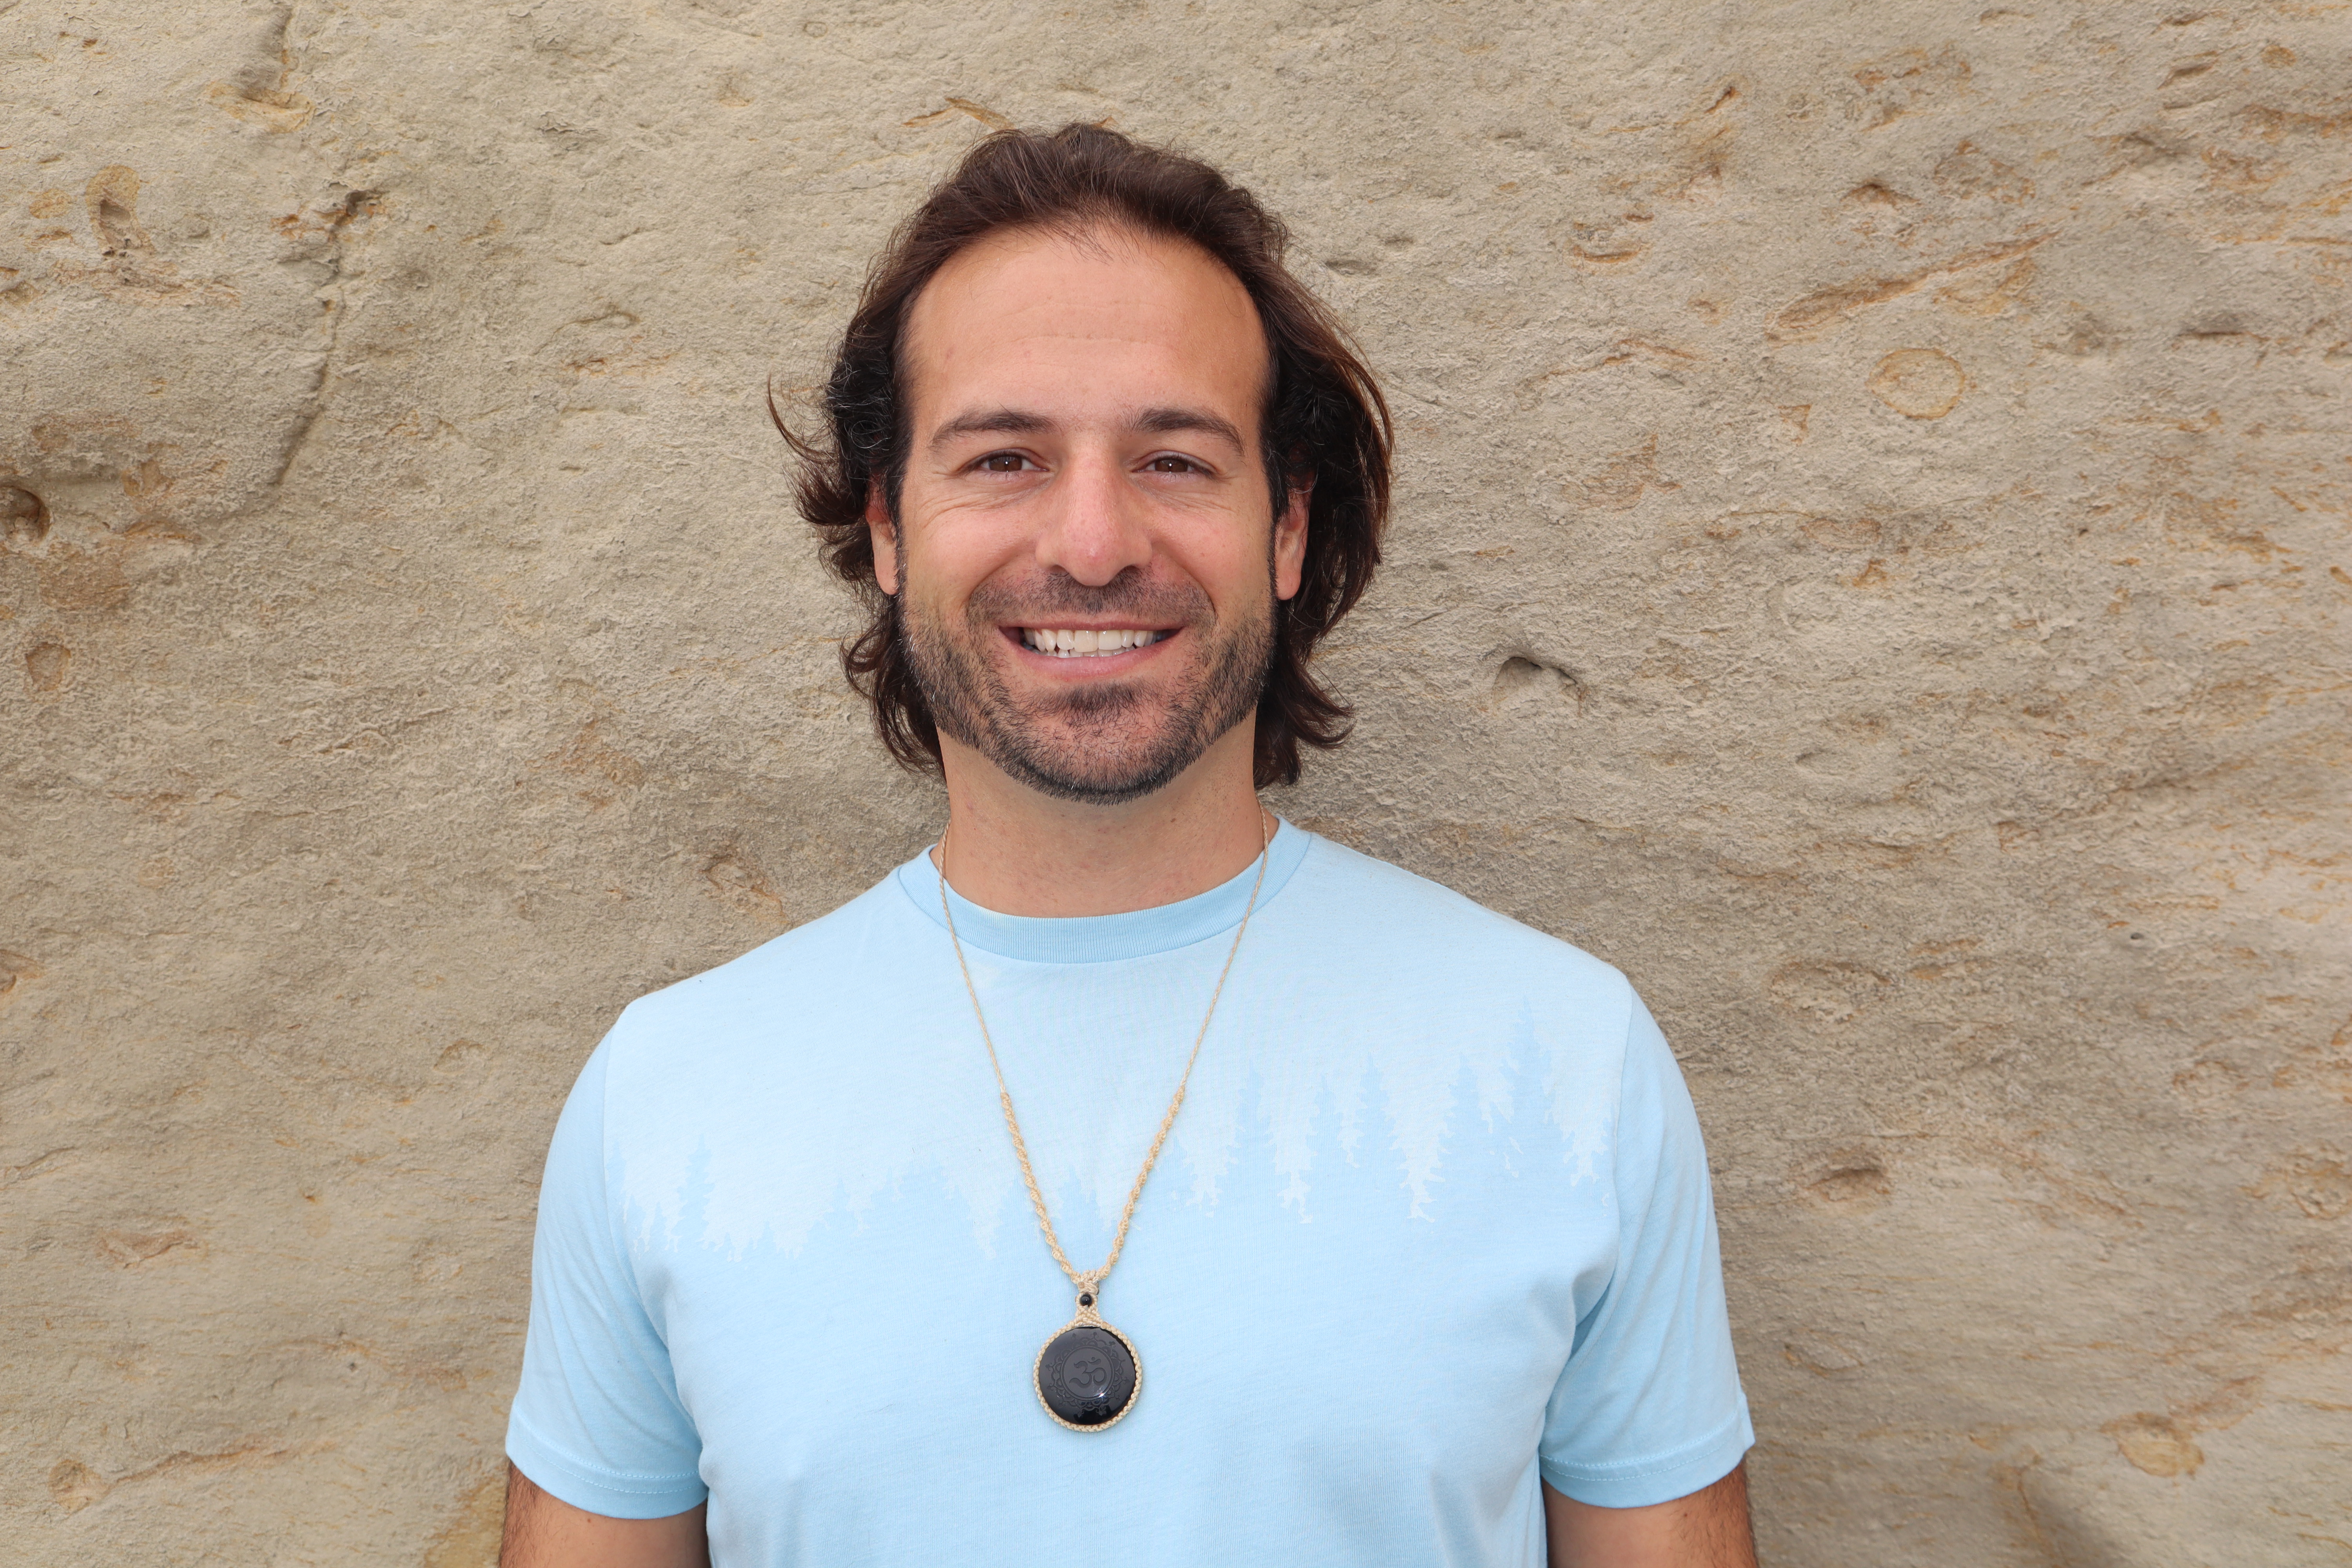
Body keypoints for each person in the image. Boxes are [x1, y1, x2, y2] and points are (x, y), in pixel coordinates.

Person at [498, 123, 1756, 1568]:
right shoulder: (667, 1095)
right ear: (890, 527)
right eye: (1003, 458)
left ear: (1285, 529)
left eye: (1173, 459)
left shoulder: (1567, 1059)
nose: (1092, 544)